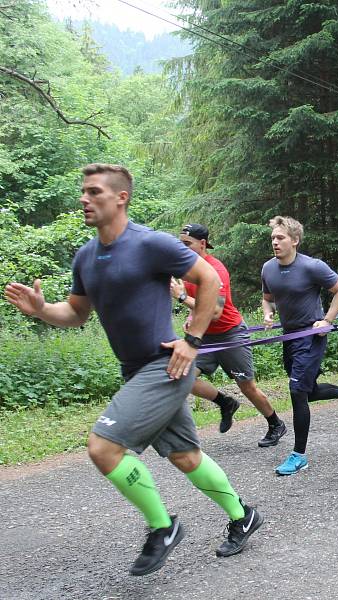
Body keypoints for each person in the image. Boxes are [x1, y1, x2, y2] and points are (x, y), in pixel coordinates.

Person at [5, 164, 263, 576]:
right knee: (184, 455)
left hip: (165, 365)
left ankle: (163, 527)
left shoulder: (150, 244)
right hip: (135, 369)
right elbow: (75, 313)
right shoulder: (87, 256)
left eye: (94, 192)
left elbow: (209, 278)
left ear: (121, 197)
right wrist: (41, 310)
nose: (84, 199)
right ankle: (243, 514)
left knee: (103, 447)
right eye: (83, 192)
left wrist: (192, 340)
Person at [261, 216, 338, 476]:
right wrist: (268, 314)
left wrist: (327, 320)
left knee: (297, 390)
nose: (275, 242)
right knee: (307, 392)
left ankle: (298, 455)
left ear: (295, 240)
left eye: (281, 238)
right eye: (273, 238)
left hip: (312, 336)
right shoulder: (268, 268)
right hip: (289, 337)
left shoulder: (312, 266)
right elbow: (268, 299)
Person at [171, 224, 286, 445]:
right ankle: (225, 403)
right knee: (184, 378)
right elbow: (200, 306)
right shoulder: (189, 269)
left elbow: (214, 311)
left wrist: (181, 298)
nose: (182, 249)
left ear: (202, 244)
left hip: (230, 334)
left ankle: (275, 424)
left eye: (187, 244)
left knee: (246, 386)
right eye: (180, 244)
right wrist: (190, 316)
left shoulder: (216, 269)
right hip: (204, 335)